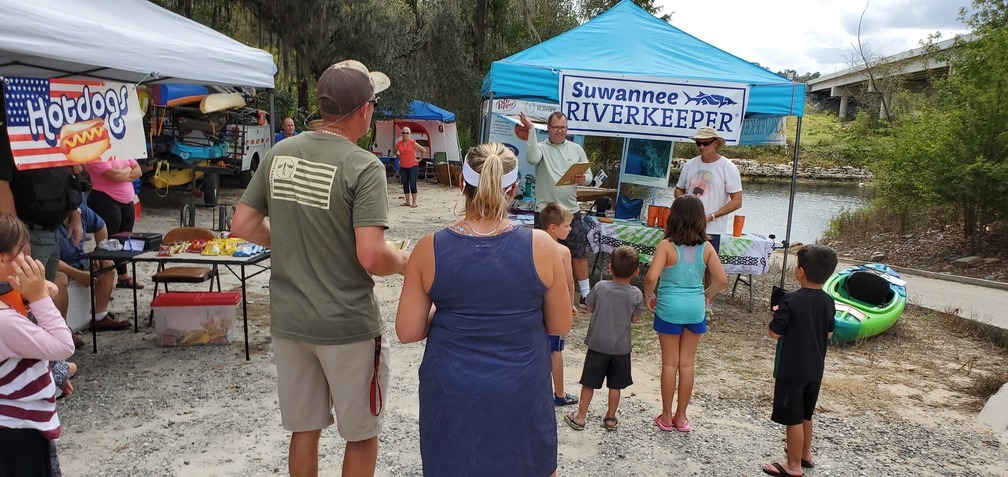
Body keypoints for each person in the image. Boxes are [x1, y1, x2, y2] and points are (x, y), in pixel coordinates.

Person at [230, 59, 409, 477]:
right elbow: (371, 255)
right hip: (346, 324)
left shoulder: (279, 153)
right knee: (361, 433)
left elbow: (243, 224)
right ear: (365, 109)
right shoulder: (363, 166)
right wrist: (404, 261)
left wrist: (292, 241)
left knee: (304, 430)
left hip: (291, 320)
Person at [396, 142, 572, 477]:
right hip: (521, 387)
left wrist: (444, 314)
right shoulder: (543, 248)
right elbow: (560, 326)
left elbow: (408, 330)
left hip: (452, 391)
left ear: (462, 186)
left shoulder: (429, 248)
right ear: (514, 190)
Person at [643, 195, 728, 433]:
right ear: (701, 220)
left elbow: (651, 278)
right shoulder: (707, 248)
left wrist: (649, 295)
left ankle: (667, 416)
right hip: (694, 308)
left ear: (673, 217)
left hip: (669, 307)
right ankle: (682, 417)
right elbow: (722, 280)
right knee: (687, 365)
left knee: (669, 364)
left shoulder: (666, 246)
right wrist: (707, 295)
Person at [0, 213, 76, 476]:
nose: (30, 259)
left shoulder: (7, 305)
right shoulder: (4, 321)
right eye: (22, 252)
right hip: (18, 432)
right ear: (2, 258)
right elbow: (63, 345)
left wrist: (31, 299)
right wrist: (40, 298)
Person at [762, 245, 837, 477]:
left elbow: (774, 333)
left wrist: (776, 314)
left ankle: (792, 465)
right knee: (806, 414)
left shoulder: (790, 302)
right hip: (815, 368)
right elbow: (829, 334)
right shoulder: (828, 301)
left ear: (801, 271)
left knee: (792, 418)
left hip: (792, 369)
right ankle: (805, 453)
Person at [0, 104, 84, 283]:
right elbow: (2, 186)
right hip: (30, 233)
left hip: (54, 233)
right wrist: (18, 237)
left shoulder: (54, 131)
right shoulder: (11, 135)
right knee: (28, 298)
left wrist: (75, 216)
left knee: (43, 297)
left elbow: (67, 175)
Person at [563, 245, 643, 432]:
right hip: (621, 348)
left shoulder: (600, 287)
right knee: (615, 386)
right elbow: (635, 319)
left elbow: (589, 308)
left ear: (610, 268)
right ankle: (610, 417)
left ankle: (581, 417)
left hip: (597, 344)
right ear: (637, 272)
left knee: (589, 382)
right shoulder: (636, 294)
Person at [519, 111, 594, 306]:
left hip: (571, 209)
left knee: (578, 252)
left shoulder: (576, 149)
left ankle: (586, 295)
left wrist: (583, 178)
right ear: (549, 129)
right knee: (541, 252)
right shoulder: (541, 147)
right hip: (545, 211)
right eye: (556, 127)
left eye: (563, 127)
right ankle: (539, 292)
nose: (560, 131)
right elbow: (532, 158)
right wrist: (532, 130)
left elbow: (589, 176)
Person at [54, 202, 129, 333]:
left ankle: (100, 317)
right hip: (60, 265)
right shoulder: (44, 216)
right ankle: (61, 330)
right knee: (60, 281)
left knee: (107, 267)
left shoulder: (80, 209)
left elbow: (100, 226)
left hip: (80, 260)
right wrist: (77, 274)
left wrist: (100, 251)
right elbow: (49, 259)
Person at [539, 202, 578, 406]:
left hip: (537, 307)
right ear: (553, 227)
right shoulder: (562, 251)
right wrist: (570, 305)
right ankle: (559, 394)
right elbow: (569, 283)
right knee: (556, 351)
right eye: (567, 226)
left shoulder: (532, 244)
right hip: (555, 308)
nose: (570, 229)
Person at [83, 157, 143, 289]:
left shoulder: (120, 150)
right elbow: (115, 176)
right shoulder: (95, 156)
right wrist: (128, 170)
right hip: (105, 199)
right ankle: (99, 280)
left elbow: (139, 171)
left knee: (123, 240)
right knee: (107, 243)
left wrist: (123, 173)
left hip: (127, 200)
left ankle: (123, 276)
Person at [674, 127, 743, 236]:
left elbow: (737, 201)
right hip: (686, 228)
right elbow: (679, 189)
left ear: (716, 143)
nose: (701, 147)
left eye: (706, 143)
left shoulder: (728, 168)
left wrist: (711, 216)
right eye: (698, 143)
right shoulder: (689, 164)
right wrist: (683, 208)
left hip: (713, 231)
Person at [394, 126, 426, 208]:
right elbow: (394, 151)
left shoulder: (412, 143)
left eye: (407, 133)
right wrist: (400, 156)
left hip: (412, 166)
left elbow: (423, 150)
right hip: (403, 166)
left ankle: (414, 202)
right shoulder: (399, 143)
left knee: (412, 183)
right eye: (403, 133)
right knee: (405, 183)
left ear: (410, 134)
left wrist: (419, 160)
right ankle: (407, 201)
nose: (405, 134)